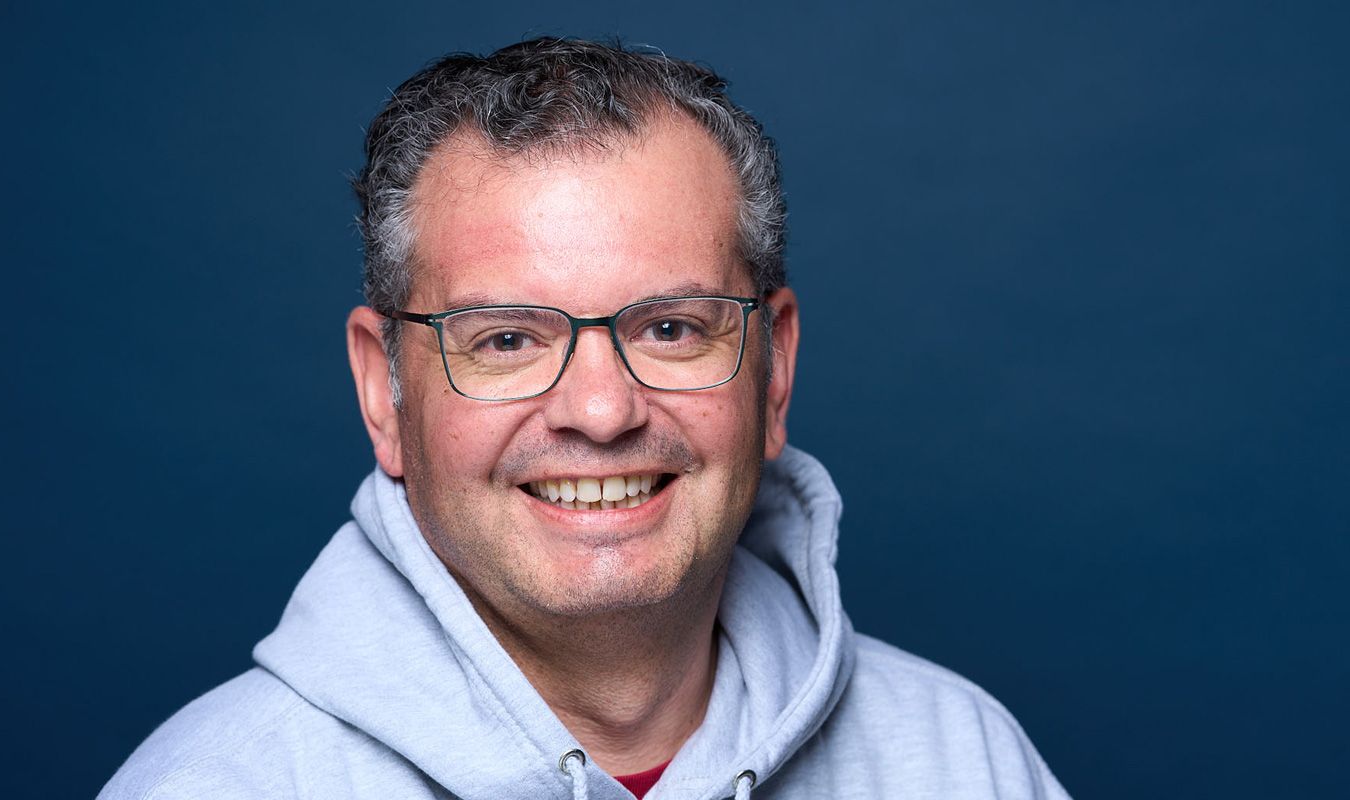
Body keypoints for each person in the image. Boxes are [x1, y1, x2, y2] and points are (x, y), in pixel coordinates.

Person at [100, 38, 1071, 800]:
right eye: (507, 339)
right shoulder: (217, 781)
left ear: (773, 368)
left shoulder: (963, 756)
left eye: (672, 327)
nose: (601, 410)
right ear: (380, 389)